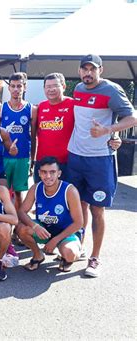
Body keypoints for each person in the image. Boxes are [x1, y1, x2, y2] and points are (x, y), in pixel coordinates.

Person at [67, 54, 136, 277]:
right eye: (84, 69)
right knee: (79, 206)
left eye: (92, 69)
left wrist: (109, 132)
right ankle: (79, 248)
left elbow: (132, 118)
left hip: (100, 159)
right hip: (75, 157)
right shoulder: (77, 88)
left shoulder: (112, 90)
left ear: (101, 70)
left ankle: (95, 258)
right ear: (79, 71)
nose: (88, 73)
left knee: (97, 208)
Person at [15, 156, 84, 272]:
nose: (48, 176)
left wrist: (55, 240)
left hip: (66, 233)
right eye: (44, 172)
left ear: (59, 173)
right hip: (45, 230)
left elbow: (79, 223)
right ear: (39, 173)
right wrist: (35, 226)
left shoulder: (70, 190)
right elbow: (21, 212)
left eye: (52, 172)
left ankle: (66, 257)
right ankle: (38, 255)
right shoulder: (36, 188)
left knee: (70, 253)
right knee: (21, 228)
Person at [0, 72, 37, 210]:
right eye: (13, 86)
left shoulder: (31, 109)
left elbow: (33, 137)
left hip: (22, 157)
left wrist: (33, 159)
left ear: (24, 87)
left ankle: (18, 223)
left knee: (18, 193)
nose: (16, 89)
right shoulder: (1, 108)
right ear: (9, 88)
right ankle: (4, 221)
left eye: (19, 86)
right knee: (2, 192)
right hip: (5, 157)